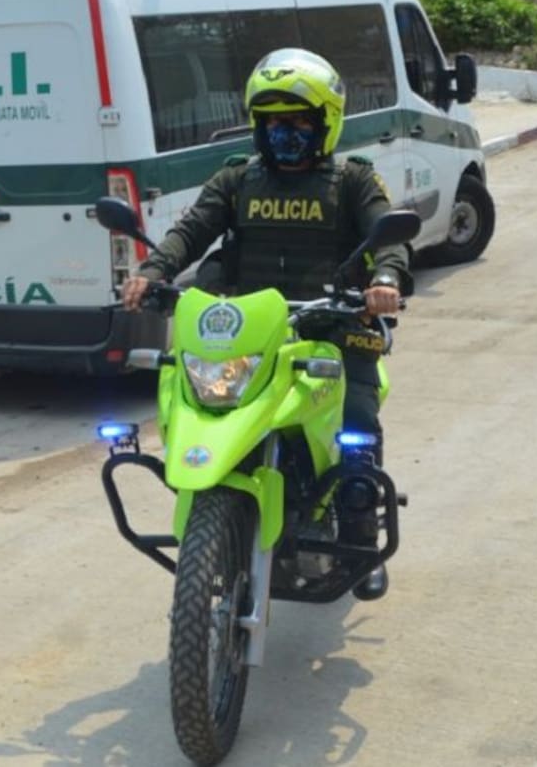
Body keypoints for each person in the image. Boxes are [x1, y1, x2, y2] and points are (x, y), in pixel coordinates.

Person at [120, 48, 410, 598]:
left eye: (298, 121)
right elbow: (191, 231)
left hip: (333, 327)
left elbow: (389, 239)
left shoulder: (353, 182)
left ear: (325, 123)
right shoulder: (235, 181)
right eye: (273, 122)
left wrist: (386, 284)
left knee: (355, 424)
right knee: (197, 402)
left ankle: (359, 536)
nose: (285, 133)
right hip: (250, 331)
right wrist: (152, 271)